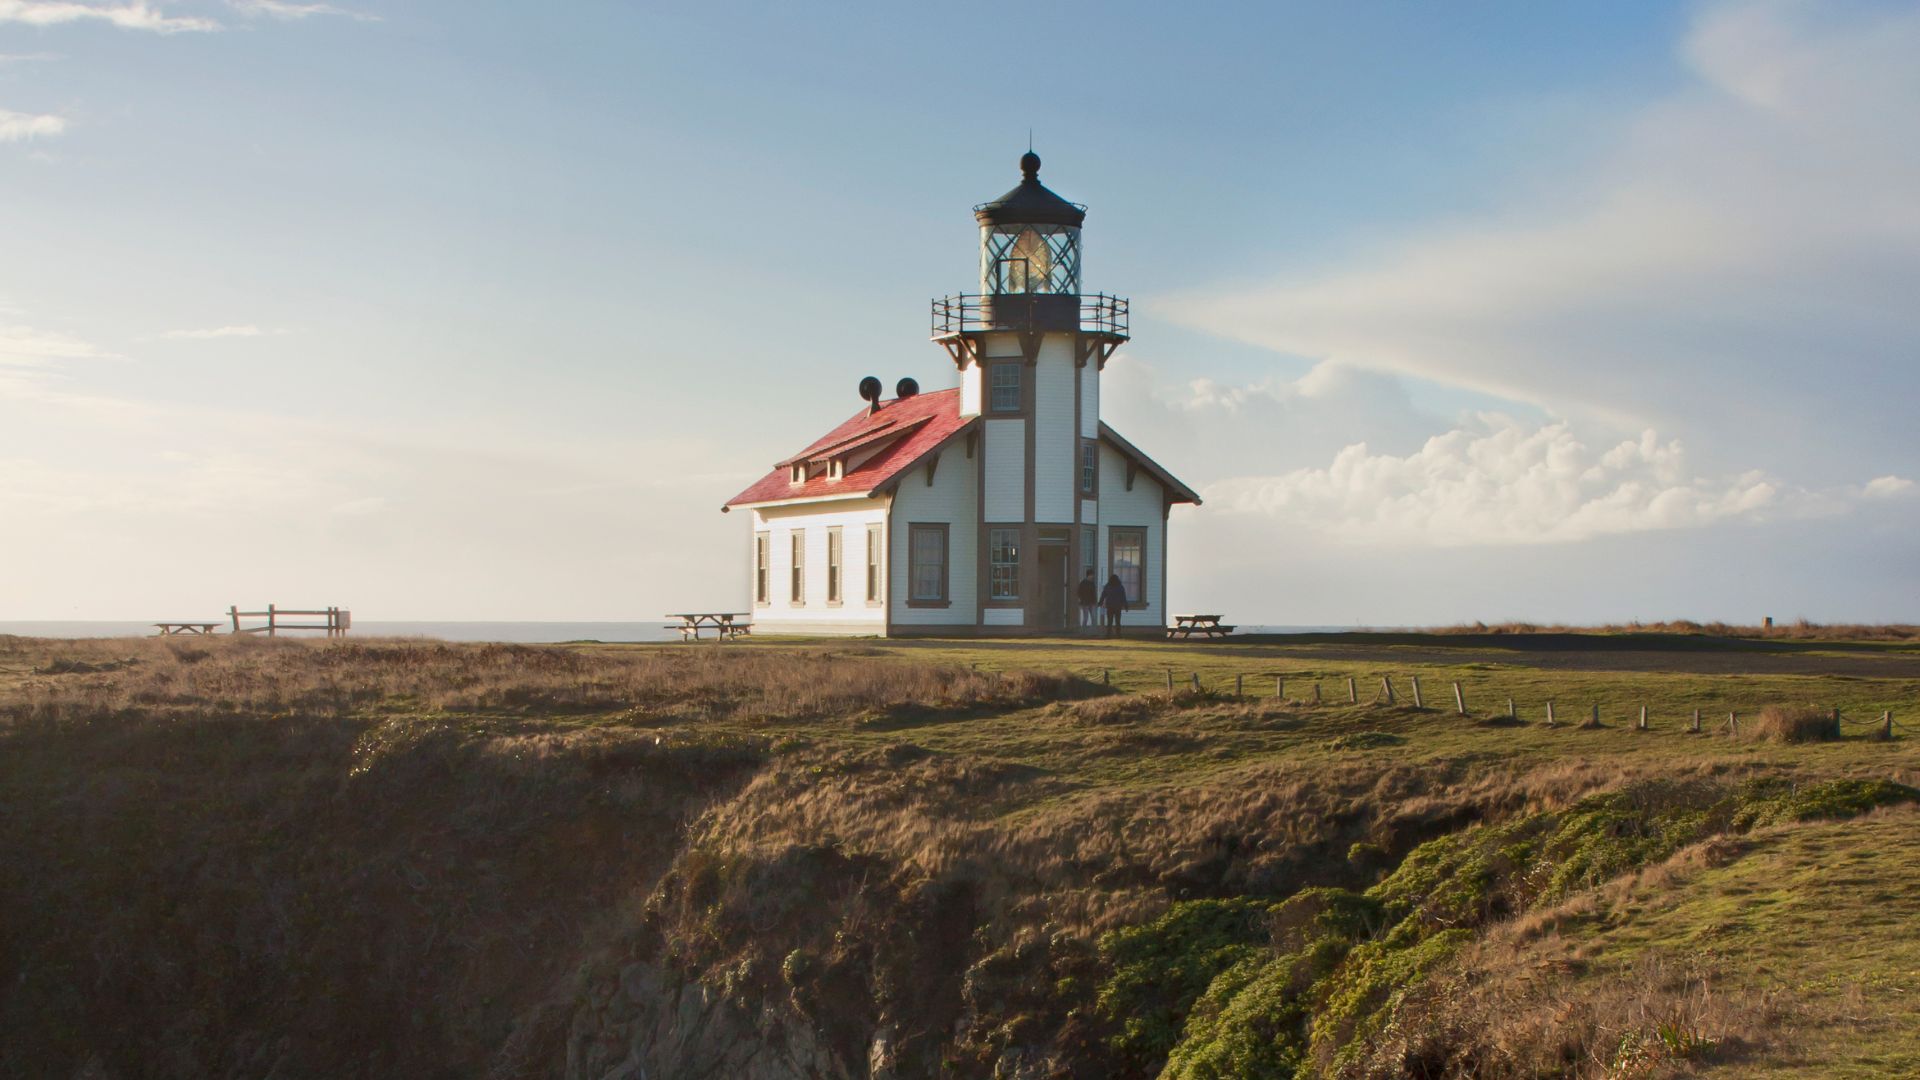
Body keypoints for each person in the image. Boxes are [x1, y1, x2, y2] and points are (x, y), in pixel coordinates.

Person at [1099, 573, 1127, 638]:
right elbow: (1123, 597)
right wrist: (1125, 605)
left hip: (1110, 606)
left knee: (1110, 621)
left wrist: (1100, 602)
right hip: (1118, 606)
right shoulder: (1120, 586)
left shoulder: (1107, 586)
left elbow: (1103, 595)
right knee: (1118, 621)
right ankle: (1118, 634)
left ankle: (1108, 634)